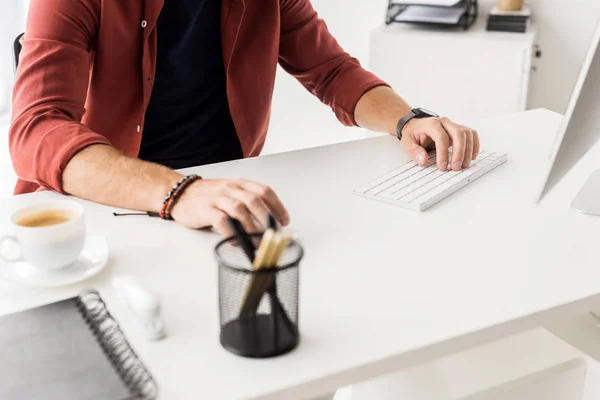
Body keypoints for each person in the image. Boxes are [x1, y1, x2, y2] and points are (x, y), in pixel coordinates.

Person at [10, 0, 479, 236]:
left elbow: (332, 71)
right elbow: (37, 129)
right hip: (106, 206)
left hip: (221, 201)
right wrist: (179, 192)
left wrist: (406, 120)